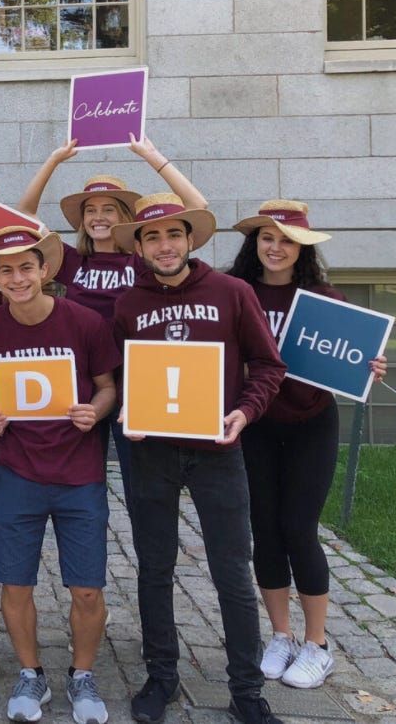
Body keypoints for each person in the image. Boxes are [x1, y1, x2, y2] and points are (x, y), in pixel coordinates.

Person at [111, 194, 288, 724]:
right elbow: (120, 374)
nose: (164, 246)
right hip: (152, 452)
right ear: (139, 247)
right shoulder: (128, 304)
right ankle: (161, 676)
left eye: (174, 235)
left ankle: (247, 691)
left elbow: (268, 365)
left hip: (218, 451)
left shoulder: (232, 292)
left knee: (232, 571)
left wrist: (245, 412)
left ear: (191, 240)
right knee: (154, 567)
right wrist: (128, 407)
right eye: (152, 237)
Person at [228, 200, 386, 690]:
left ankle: (317, 644)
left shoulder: (324, 299)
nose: (276, 248)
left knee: (299, 528)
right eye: (267, 238)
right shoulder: (236, 292)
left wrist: (369, 367)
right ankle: (281, 635)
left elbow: (348, 356)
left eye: (287, 240)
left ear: (302, 249)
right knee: (265, 530)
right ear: (255, 243)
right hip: (254, 425)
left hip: (311, 424)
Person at [0, 227, 120, 724]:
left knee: (87, 588)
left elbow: (107, 387)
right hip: (18, 471)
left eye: (26, 268)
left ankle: (82, 675)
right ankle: (30, 673)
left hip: (80, 471)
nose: (17, 278)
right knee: (15, 583)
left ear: (45, 271)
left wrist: (96, 411)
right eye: (6, 270)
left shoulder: (84, 322)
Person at [17, 135, 207, 500]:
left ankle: (145, 536)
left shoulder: (145, 259)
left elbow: (197, 210)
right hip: (82, 381)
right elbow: (24, 217)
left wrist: (152, 155)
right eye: (90, 210)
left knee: (140, 482)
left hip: (134, 381)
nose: (98, 217)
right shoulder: (70, 260)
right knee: (80, 478)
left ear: (125, 218)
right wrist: (54, 160)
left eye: (109, 209)